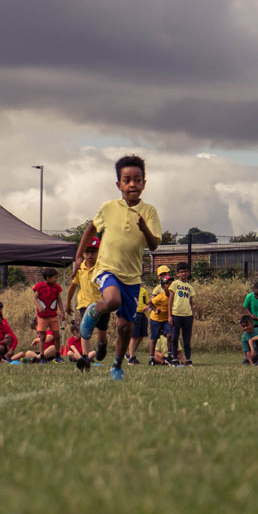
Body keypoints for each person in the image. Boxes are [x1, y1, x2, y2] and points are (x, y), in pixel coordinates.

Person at [74, 155, 162, 381]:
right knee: (112, 300)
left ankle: (117, 364)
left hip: (132, 278)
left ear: (144, 183)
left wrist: (144, 228)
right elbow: (90, 230)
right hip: (107, 269)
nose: (133, 184)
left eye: (138, 179)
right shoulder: (108, 208)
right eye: (127, 180)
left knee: (125, 327)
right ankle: (93, 311)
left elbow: (153, 245)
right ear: (119, 185)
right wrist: (77, 257)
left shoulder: (149, 211)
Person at [66, 237, 107, 332]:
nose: (90, 255)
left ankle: (101, 346)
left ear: (99, 252)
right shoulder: (79, 268)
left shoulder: (103, 268)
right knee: (85, 329)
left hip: (101, 303)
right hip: (84, 304)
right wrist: (68, 303)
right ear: (83, 253)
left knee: (102, 331)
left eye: (93, 252)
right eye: (87, 252)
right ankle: (84, 347)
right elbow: (73, 286)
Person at [33, 267, 65, 363]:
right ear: (48, 278)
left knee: (57, 336)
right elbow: (35, 298)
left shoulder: (56, 288)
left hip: (53, 316)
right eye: (54, 278)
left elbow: (59, 300)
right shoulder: (39, 286)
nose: (56, 280)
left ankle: (58, 355)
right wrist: (39, 306)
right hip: (42, 316)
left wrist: (62, 312)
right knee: (42, 336)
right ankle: (42, 356)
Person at [168, 261, 196, 367]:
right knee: (174, 338)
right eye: (181, 272)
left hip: (187, 315)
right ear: (177, 274)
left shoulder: (189, 286)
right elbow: (170, 300)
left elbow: (191, 302)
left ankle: (188, 359)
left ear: (188, 272)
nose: (183, 274)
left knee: (187, 339)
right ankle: (175, 358)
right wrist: (169, 315)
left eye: (185, 271)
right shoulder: (175, 284)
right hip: (176, 314)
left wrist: (192, 315)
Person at [149, 275, 174, 366]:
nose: (170, 285)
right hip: (156, 319)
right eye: (168, 284)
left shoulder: (174, 296)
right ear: (163, 287)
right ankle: (151, 358)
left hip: (166, 319)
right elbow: (150, 302)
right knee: (154, 338)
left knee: (169, 335)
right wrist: (155, 310)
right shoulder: (160, 297)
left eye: (171, 283)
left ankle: (169, 356)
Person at [126, 283, 150, 365]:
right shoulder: (130, 289)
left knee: (141, 336)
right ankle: (132, 359)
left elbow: (147, 303)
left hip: (143, 315)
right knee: (134, 336)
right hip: (135, 313)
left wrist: (147, 307)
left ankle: (129, 354)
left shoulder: (143, 290)